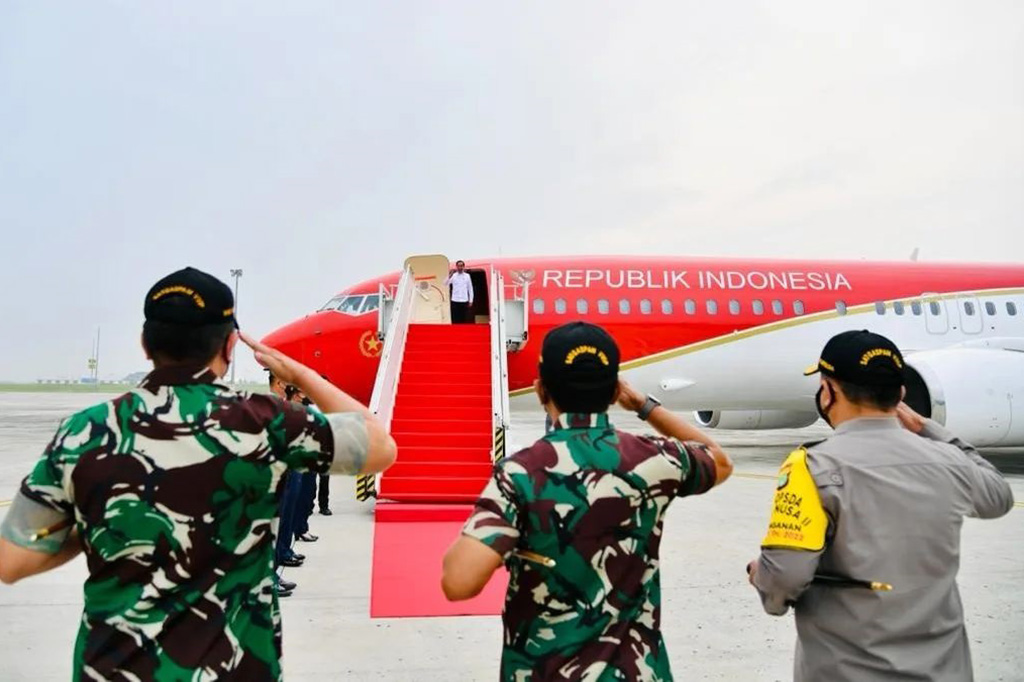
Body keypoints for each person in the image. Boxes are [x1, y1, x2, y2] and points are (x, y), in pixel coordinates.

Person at [0, 267, 397, 681]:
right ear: (229, 345)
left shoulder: (86, 430)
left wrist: (108, 522)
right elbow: (379, 446)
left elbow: (12, 560)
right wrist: (300, 374)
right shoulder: (265, 423)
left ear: (144, 344)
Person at [441, 321, 733, 680]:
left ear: (540, 389)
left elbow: (459, 581)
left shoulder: (521, 473)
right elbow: (718, 459)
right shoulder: (653, 460)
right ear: (615, 392)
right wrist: (643, 405)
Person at [747, 329, 1014, 682]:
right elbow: (998, 497)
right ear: (900, 394)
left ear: (828, 391)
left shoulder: (812, 468)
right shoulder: (947, 461)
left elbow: (784, 578)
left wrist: (762, 579)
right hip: (944, 670)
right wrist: (930, 431)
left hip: (845, 670)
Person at [445, 259, 474, 323]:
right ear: (456, 267)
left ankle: (462, 331)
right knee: (455, 317)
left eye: (461, 266)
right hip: (455, 300)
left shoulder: (467, 276)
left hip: (464, 300)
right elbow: (445, 284)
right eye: (458, 266)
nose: (460, 267)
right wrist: (449, 276)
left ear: (463, 266)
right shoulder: (454, 276)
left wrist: (471, 300)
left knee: (463, 317)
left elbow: (470, 288)